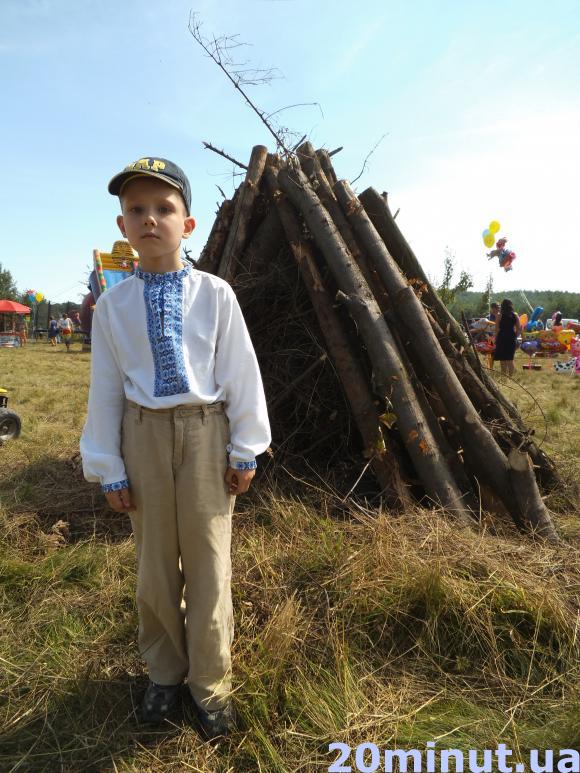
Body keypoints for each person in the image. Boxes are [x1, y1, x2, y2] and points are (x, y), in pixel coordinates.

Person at [80, 157, 271, 739]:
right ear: (122, 226)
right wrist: (109, 467)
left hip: (205, 434)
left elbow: (240, 371)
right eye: (136, 209)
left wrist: (245, 448)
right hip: (142, 434)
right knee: (155, 564)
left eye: (164, 208)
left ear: (187, 224)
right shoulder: (113, 307)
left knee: (210, 562)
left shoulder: (214, 294)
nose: (150, 219)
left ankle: (209, 683)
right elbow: (105, 389)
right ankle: (164, 671)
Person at [493, 298, 522, 376]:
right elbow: (519, 328)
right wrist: (515, 336)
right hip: (511, 337)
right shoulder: (515, 315)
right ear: (511, 305)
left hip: (501, 337)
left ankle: (504, 377)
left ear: (502, 306)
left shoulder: (499, 315)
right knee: (510, 359)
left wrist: (495, 339)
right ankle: (511, 377)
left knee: (502, 359)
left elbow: (496, 329)